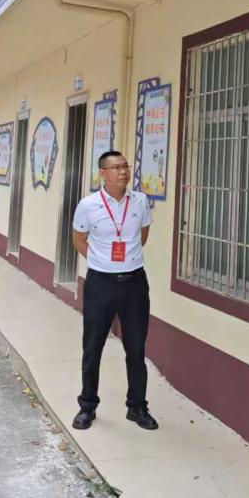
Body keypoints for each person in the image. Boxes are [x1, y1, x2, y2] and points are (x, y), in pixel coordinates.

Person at [70, 150, 157, 432]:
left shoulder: (140, 201)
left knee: (136, 347)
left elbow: (142, 235)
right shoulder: (88, 205)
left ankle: (137, 406)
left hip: (134, 283)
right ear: (103, 174)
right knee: (93, 346)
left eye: (126, 166)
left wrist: (125, 259)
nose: (123, 172)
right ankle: (87, 406)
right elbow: (78, 240)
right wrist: (102, 261)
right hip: (101, 283)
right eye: (116, 167)